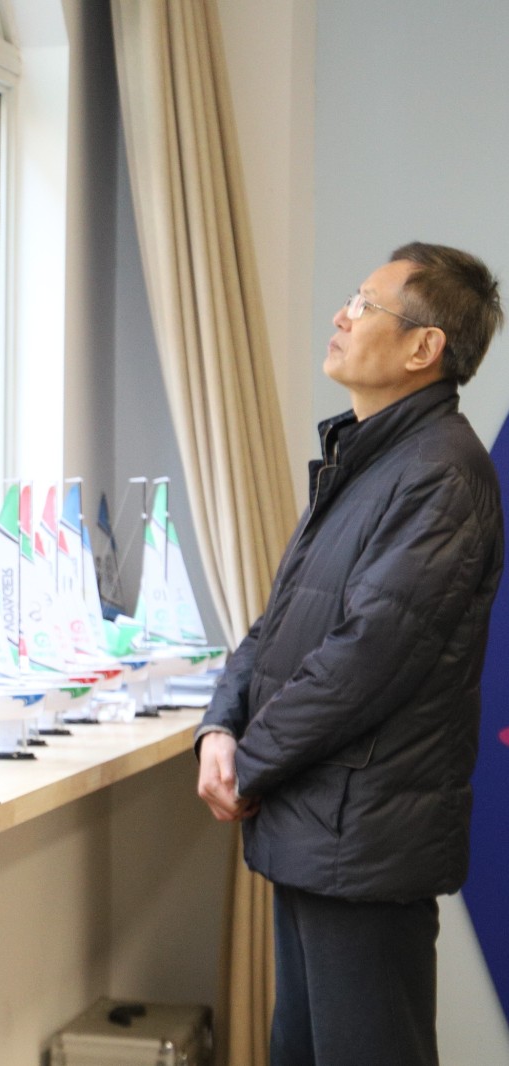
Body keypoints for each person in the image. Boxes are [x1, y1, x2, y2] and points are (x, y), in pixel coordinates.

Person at [196, 242, 505, 1066]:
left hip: (362, 845)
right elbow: (275, 625)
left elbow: (365, 660)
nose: (341, 315)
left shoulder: (441, 475)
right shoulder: (365, 458)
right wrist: (218, 728)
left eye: (366, 304)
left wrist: (247, 763)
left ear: (422, 347)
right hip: (313, 829)